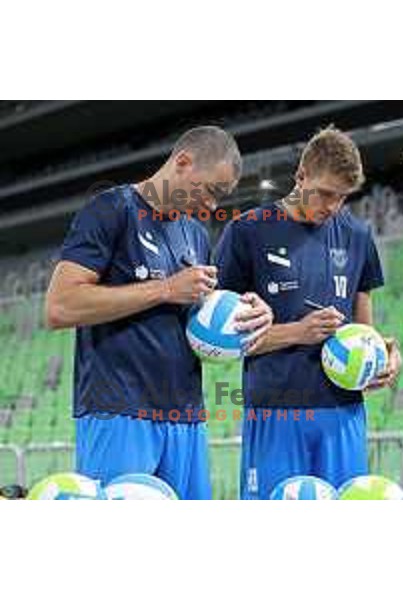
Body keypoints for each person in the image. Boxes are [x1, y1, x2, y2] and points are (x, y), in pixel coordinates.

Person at [45, 126, 273, 499]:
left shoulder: (196, 235)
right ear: (182, 163)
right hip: (119, 412)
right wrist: (166, 288)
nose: (212, 205)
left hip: (187, 418)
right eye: (211, 190)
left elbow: (202, 315)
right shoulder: (110, 209)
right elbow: (60, 306)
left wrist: (248, 314)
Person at [215, 127, 402, 499]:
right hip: (276, 412)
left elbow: (365, 329)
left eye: (343, 197)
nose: (332, 206)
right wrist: (297, 332)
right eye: (326, 194)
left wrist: (382, 356)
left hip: (343, 411)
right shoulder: (248, 231)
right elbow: (221, 338)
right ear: (301, 176)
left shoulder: (358, 235)